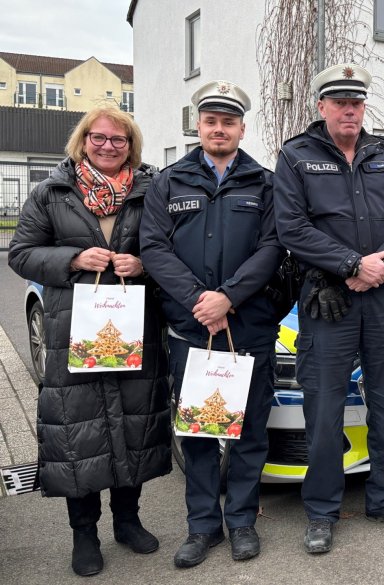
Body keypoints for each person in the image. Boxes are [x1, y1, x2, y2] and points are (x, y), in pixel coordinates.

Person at [8, 108, 170, 577]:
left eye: (119, 140)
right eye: (99, 138)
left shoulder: (150, 190)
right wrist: (74, 257)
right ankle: (84, 533)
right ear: (83, 141)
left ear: (131, 146)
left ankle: (128, 520)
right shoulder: (52, 191)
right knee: (80, 433)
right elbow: (20, 254)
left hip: (132, 326)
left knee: (134, 426)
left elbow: (168, 249)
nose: (108, 146)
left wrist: (141, 265)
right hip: (72, 331)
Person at [274, 63, 384, 554]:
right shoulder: (296, 156)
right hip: (328, 302)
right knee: (324, 412)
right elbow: (291, 228)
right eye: (340, 102)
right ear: (321, 106)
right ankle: (321, 511)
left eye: (356, 102)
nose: (349, 110)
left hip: (382, 301)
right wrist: (350, 264)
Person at [140, 80, 285, 567]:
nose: (219, 129)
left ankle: (242, 521)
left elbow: (272, 248)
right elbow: (154, 249)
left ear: (242, 128)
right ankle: (203, 527)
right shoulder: (169, 181)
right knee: (199, 433)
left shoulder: (264, 183)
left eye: (228, 121)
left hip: (248, 329)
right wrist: (199, 300)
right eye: (210, 121)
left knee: (248, 432)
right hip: (192, 330)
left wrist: (228, 297)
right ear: (198, 126)